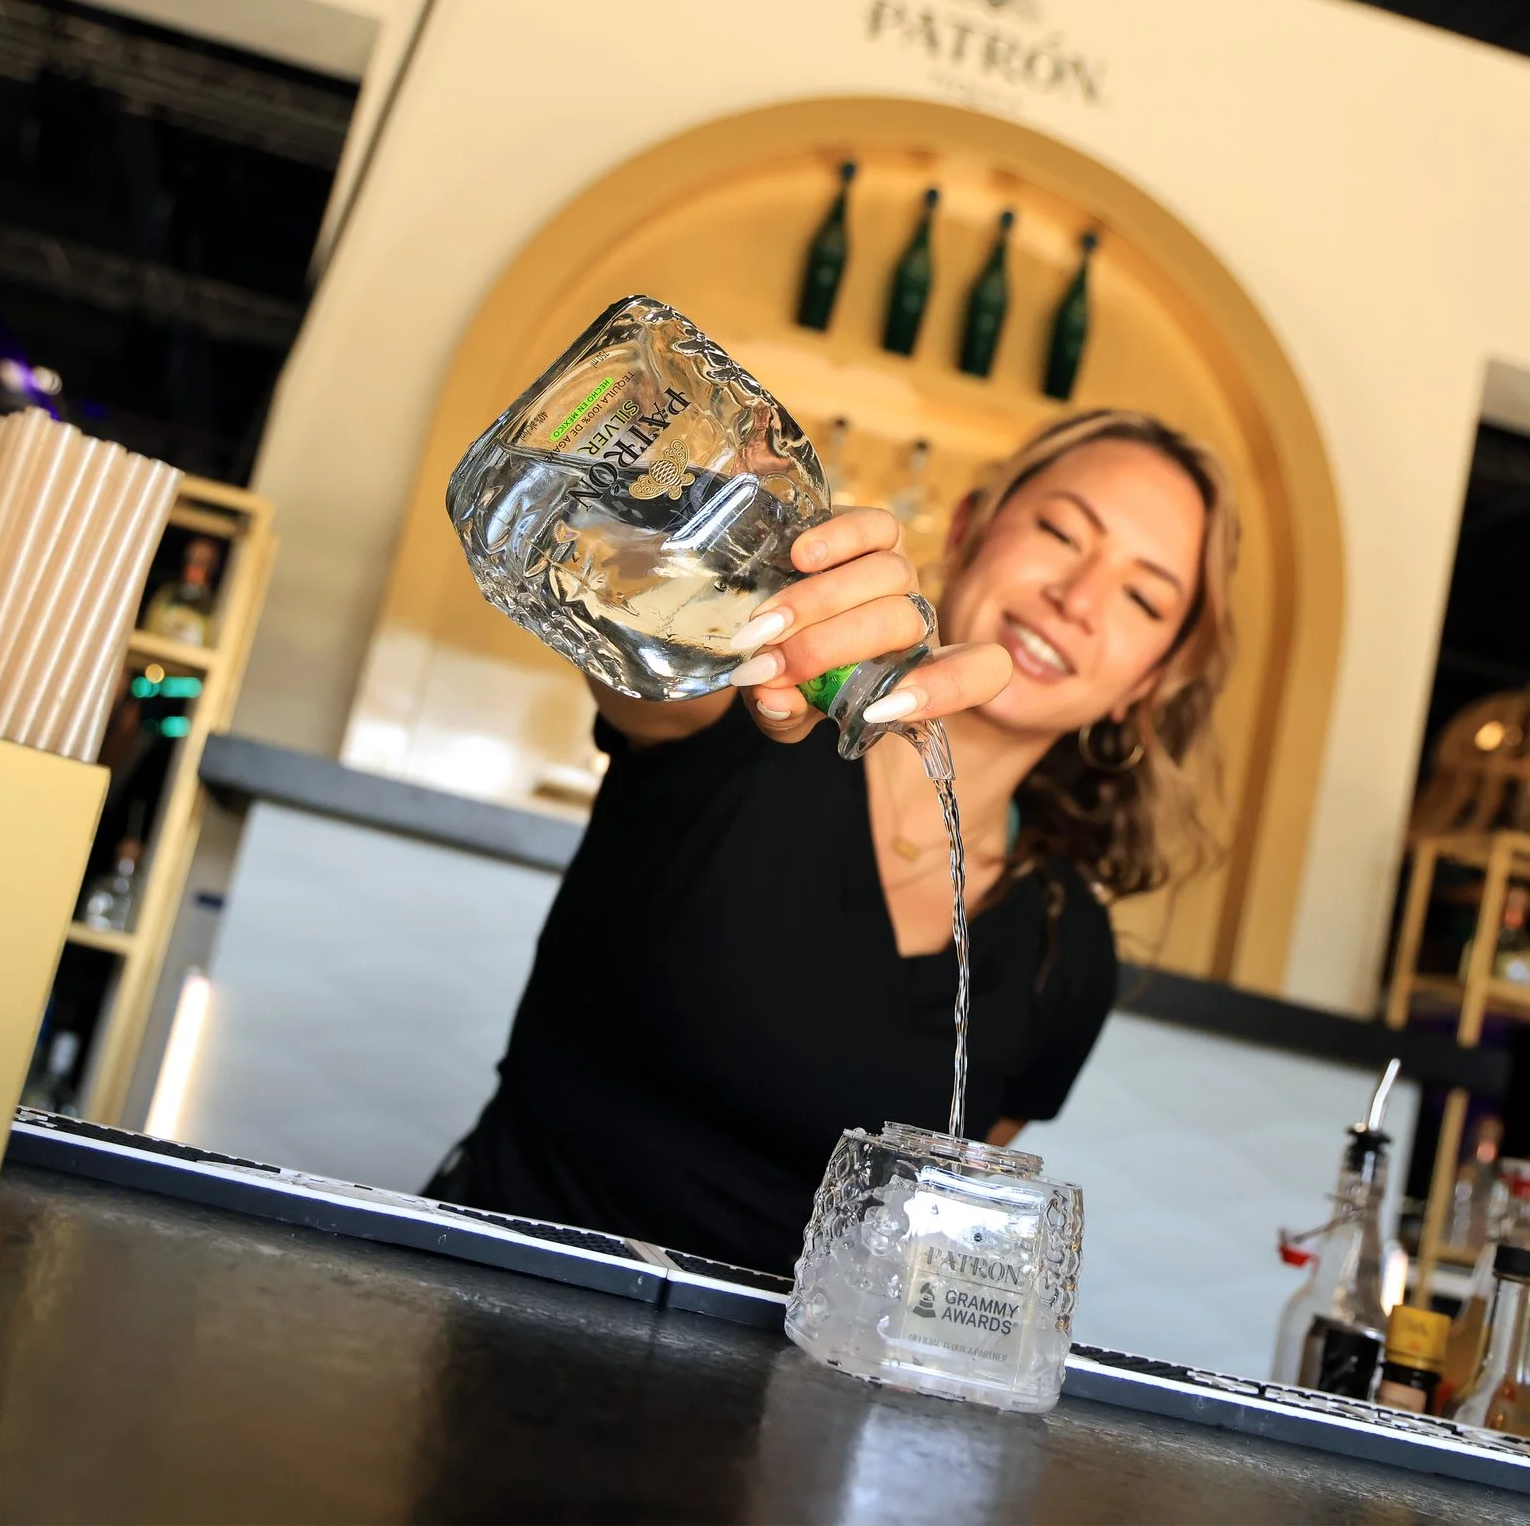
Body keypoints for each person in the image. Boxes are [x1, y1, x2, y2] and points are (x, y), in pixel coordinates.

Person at [427, 408, 1240, 1272]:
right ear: (968, 531)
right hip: (489, 1310)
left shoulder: (1066, 948)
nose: (1076, 601)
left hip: (780, 1401)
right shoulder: (742, 715)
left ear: (1148, 682)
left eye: (1143, 597)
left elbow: (921, 1246)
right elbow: (635, 625)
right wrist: (728, 565)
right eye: (1059, 531)